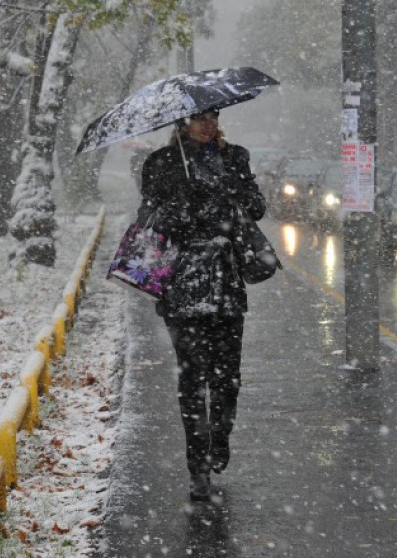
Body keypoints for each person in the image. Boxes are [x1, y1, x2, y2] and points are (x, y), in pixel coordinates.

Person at [137, 108, 266, 502]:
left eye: (213, 117)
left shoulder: (235, 157)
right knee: (192, 381)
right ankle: (197, 466)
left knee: (227, 378)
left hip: (226, 284)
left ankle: (219, 437)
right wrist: (185, 205)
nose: (208, 125)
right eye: (199, 119)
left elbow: (257, 207)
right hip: (182, 286)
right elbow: (149, 219)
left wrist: (234, 194)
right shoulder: (161, 164)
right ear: (182, 124)